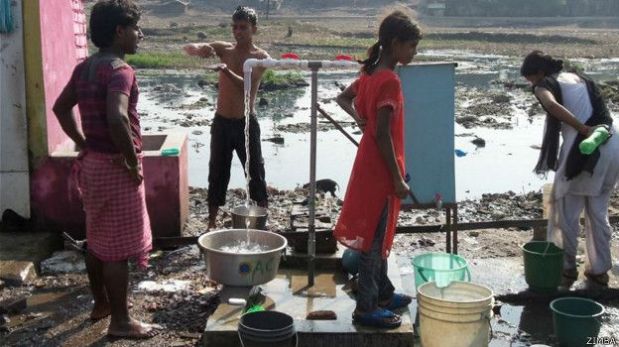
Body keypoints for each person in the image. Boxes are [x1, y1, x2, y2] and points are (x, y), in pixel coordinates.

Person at [53, 0, 158, 338]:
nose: (139, 35)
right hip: (115, 167)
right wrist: (131, 161)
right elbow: (117, 117)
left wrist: (82, 142)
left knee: (96, 238)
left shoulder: (84, 68)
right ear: (119, 31)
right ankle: (122, 322)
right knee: (118, 249)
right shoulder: (119, 71)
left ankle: (101, 304)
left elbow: (61, 107)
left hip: (92, 165)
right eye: (135, 29)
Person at [334, 10, 422, 328]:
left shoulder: (370, 74)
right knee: (373, 239)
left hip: (369, 163)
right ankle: (367, 307)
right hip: (381, 171)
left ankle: (383, 292)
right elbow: (383, 133)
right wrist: (397, 179)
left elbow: (343, 98)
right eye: (411, 46)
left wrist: (360, 118)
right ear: (395, 44)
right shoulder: (389, 80)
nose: (414, 53)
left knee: (377, 233)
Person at [521, 50, 619, 288]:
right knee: (598, 213)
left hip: (584, 148)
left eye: (530, 79)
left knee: (565, 213)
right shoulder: (579, 78)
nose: (532, 85)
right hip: (611, 142)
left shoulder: (545, 84)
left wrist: (582, 128)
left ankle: (566, 270)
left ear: (540, 73)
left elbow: (551, 105)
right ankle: (599, 271)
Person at [184, 6, 270, 229]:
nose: (238, 32)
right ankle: (211, 221)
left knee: (255, 172)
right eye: (235, 27)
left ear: (254, 30)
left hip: (245, 123)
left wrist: (225, 71)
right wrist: (198, 49)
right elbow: (197, 47)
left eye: (243, 28)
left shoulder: (260, 57)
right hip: (221, 122)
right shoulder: (225, 49)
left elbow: (247, 87)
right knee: (217, 171)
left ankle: (262, 220)